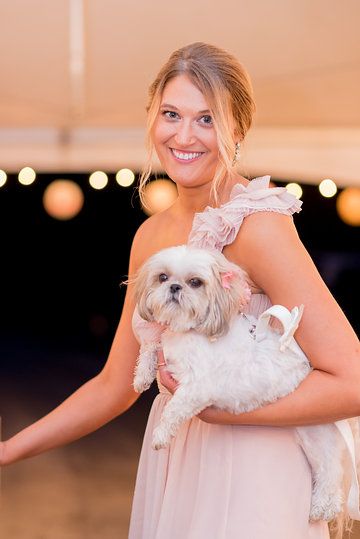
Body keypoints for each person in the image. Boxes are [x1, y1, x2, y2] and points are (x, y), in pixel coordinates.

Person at [1, 42, 359, 539]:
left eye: (207, 119)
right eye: (172, 114)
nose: (185, 135)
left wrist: (222, 409)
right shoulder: (151, 236)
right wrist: (7, 451)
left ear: (238, 131)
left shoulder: (257, 225)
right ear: (152, 117)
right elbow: (115, 385)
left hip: (256, 470)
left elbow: (353, 379)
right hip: (181, 465)